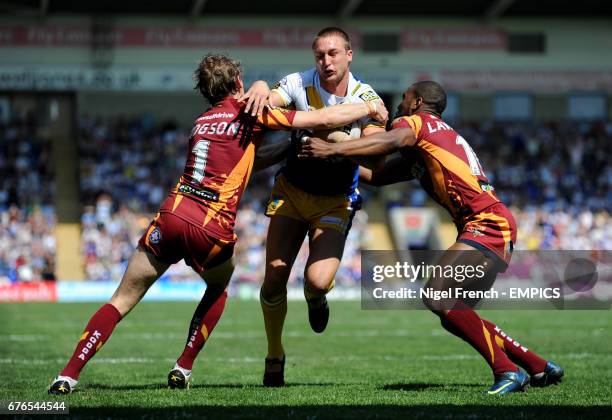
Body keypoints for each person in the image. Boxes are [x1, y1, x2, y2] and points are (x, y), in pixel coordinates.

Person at [47, 54, 388, 394]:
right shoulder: (251, 112)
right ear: (239, 83)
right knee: (218, 288)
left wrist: (284, 150)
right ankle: (183, 365)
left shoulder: (201, 121)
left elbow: (245, 160)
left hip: (170, 216)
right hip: (210, 227)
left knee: (119, 300)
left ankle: (68, 374)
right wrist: (370, 107)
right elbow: (325, 116)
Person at [298, 80, 564, 395]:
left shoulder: (416, 123)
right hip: (491, 221)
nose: (398, 103)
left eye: (404, 97)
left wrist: (333, 146)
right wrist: (337, 158)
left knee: (438, 294)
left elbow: (389, 141)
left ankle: (507, 371)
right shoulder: (431, 138)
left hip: (486, 222)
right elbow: (381, 176)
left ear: (417, 101)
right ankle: (535, 365)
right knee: (455, 313)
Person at [240, 26, 387, 387]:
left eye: (334, 53)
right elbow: (270, 100)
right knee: (273, 279)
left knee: (318, 282)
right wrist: (260, 87)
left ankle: (314, 298)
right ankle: (274, 354)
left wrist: (336, 141)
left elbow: (377, 149)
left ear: (349, 55)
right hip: (292, 190)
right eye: (320, 54)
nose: (326, 61)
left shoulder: (365, 95)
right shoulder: (298, 83)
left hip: (336, 201)